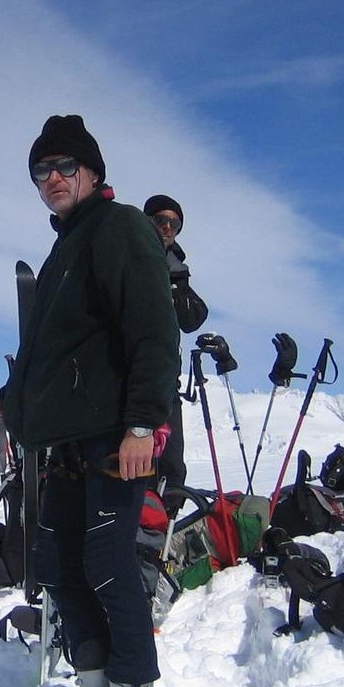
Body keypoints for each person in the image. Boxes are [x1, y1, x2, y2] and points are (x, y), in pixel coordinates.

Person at [0, 115, 180, 687]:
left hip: (114, 439)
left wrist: (143, 424)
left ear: (92, 172)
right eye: (42, 170)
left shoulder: (120, 230)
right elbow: (48, 354)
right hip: (62, 445)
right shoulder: (66, 246)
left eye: (65, 166)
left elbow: (153, 330)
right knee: (59, 568)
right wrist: (9, 402)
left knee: (109, 565)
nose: (53, 178)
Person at [143, 194, 209, 514]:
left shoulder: (176, 268)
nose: (168, 228)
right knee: (138, 465)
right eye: (161, 220)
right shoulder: (133, 257)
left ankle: (162, 536)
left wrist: (178, 284)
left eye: (174, 223)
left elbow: (192, 319)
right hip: (134, 381)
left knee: (171, 467)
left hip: (167, 382)